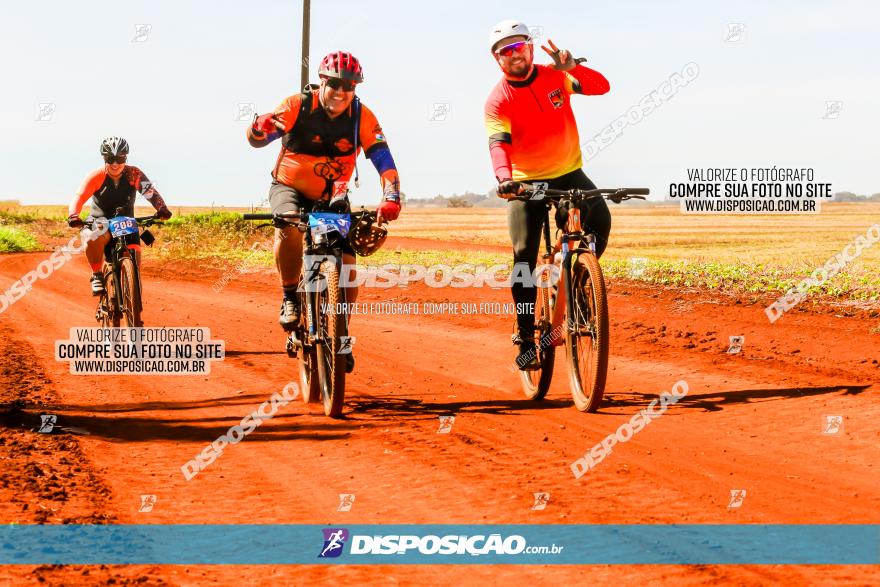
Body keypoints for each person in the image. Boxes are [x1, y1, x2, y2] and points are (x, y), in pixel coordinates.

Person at [247, 51, 401, 371]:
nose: (341, 91)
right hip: (289, 188)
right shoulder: (296, 106)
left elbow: (383, 160)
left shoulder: (362, 116)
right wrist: (258, 130)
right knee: (288, 226)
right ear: (321, 81)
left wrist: (392, 195)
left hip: (333, 197)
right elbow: (261, 137)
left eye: (350, 85)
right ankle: (290, 296)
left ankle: (340, 332)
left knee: (346, 264)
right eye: (335, 83)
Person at [483, 20, 611, 370]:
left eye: (520, 47)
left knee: (601, 217)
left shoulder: (555, 77)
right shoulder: (498, 100)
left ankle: (579, 281)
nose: (515, 55)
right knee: (523, 256)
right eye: (505, 52)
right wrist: (505, 178)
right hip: (526, 181)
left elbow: (601, 88)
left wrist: (575, 68)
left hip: (569, 171)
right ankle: (526, 336)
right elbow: (498, 145)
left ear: (530, 47)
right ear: (497, 60)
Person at [67, 136, 172, 296]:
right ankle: (97, 275)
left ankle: (132, 292)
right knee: (92, 236)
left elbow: (150, 192)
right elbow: (79, 196)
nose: (115, 164)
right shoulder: (97, 176)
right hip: (101, 223)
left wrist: (161, 208)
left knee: (135, 261)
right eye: (110, 159)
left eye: (119, 158)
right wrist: (74, 215)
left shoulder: (134, 174)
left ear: (125, 158)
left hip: (126, 223)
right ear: (104, 159)